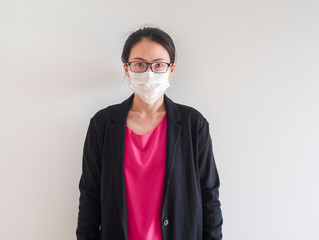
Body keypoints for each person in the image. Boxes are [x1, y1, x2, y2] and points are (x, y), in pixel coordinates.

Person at [76, 26, 223, 240]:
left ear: (171, 69)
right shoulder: (103, 125)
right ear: (127, 68)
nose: (149, 73)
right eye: (139, 64)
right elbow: (90, 195)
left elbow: (209, 195)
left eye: (158, 65)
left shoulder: (193, 124)